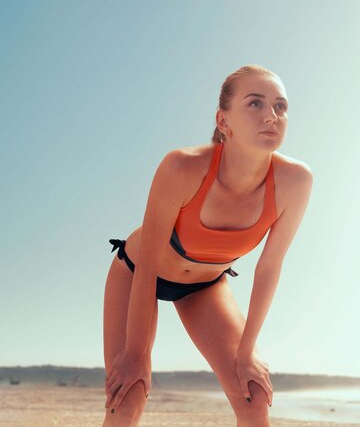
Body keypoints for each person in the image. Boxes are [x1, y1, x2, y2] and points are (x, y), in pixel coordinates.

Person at [102, 64, 313, 427]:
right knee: (127, 399)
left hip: (205, 286)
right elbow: (149, 263)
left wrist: (247, 351)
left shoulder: (296, 181)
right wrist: (136, 352)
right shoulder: (182, 167)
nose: (271, 115)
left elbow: (269, 267)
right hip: (139, 273)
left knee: (254, 397)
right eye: (255, 104)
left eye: (281, 106)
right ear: (223, 120)